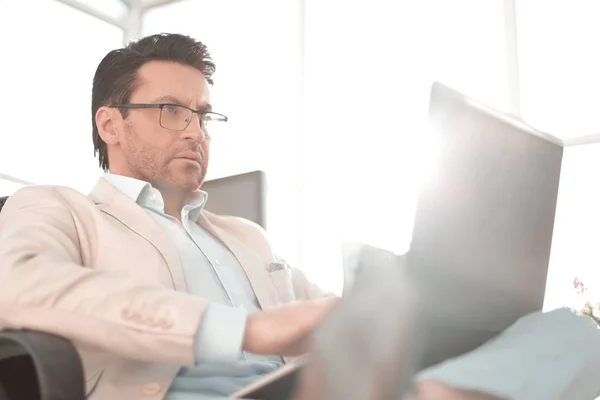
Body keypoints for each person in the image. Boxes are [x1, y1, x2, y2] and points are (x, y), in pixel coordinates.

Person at [1, 33, 598, 400]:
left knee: (570, 334)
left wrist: (420, 298)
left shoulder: (247, 238)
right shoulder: (60, 208)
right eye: (170, 110)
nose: (195, 130)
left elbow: (336, 319)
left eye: (205, 116)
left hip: (307, 388)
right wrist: (245, 330)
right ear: (111, 124)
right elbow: (17, 287)